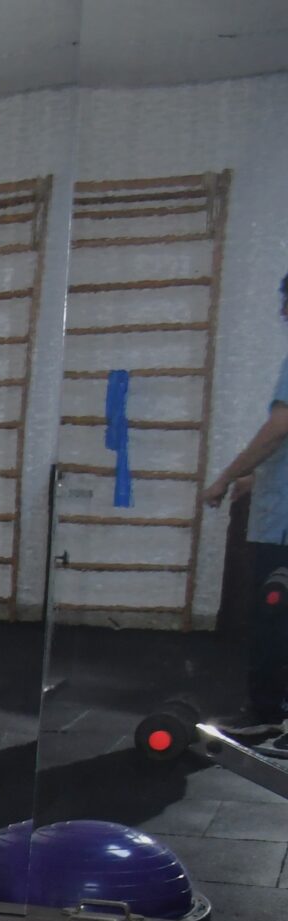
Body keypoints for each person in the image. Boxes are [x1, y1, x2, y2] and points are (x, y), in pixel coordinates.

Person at [203, 270, 288, 737]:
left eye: (285, 302)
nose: (281, 312)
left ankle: (266, 716)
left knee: (274, 615)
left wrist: (225, 477)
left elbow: (279, 428)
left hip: (284, 528)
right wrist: (259, 475)